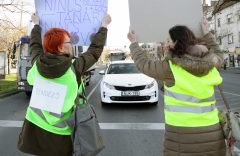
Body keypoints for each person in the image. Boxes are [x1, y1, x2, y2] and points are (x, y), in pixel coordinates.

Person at [18, 13, 111, 156]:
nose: (72, 45)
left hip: (35, 131)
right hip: (63, 134)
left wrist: (36, 25)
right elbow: (94, 51)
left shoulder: (37, 65)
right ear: (61, 48)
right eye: (69, 42)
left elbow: (34, 46)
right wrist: (104, 26)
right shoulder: (74, 67)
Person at [127, 20, 226, 156]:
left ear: (177, 42)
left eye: (169, 41)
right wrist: (207, 33)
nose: (165, 43)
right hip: (213, 132)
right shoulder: (212, 63)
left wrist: (133, 43)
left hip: (182, 135)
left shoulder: (170, 69)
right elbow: (219, 54)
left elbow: (144, 64)